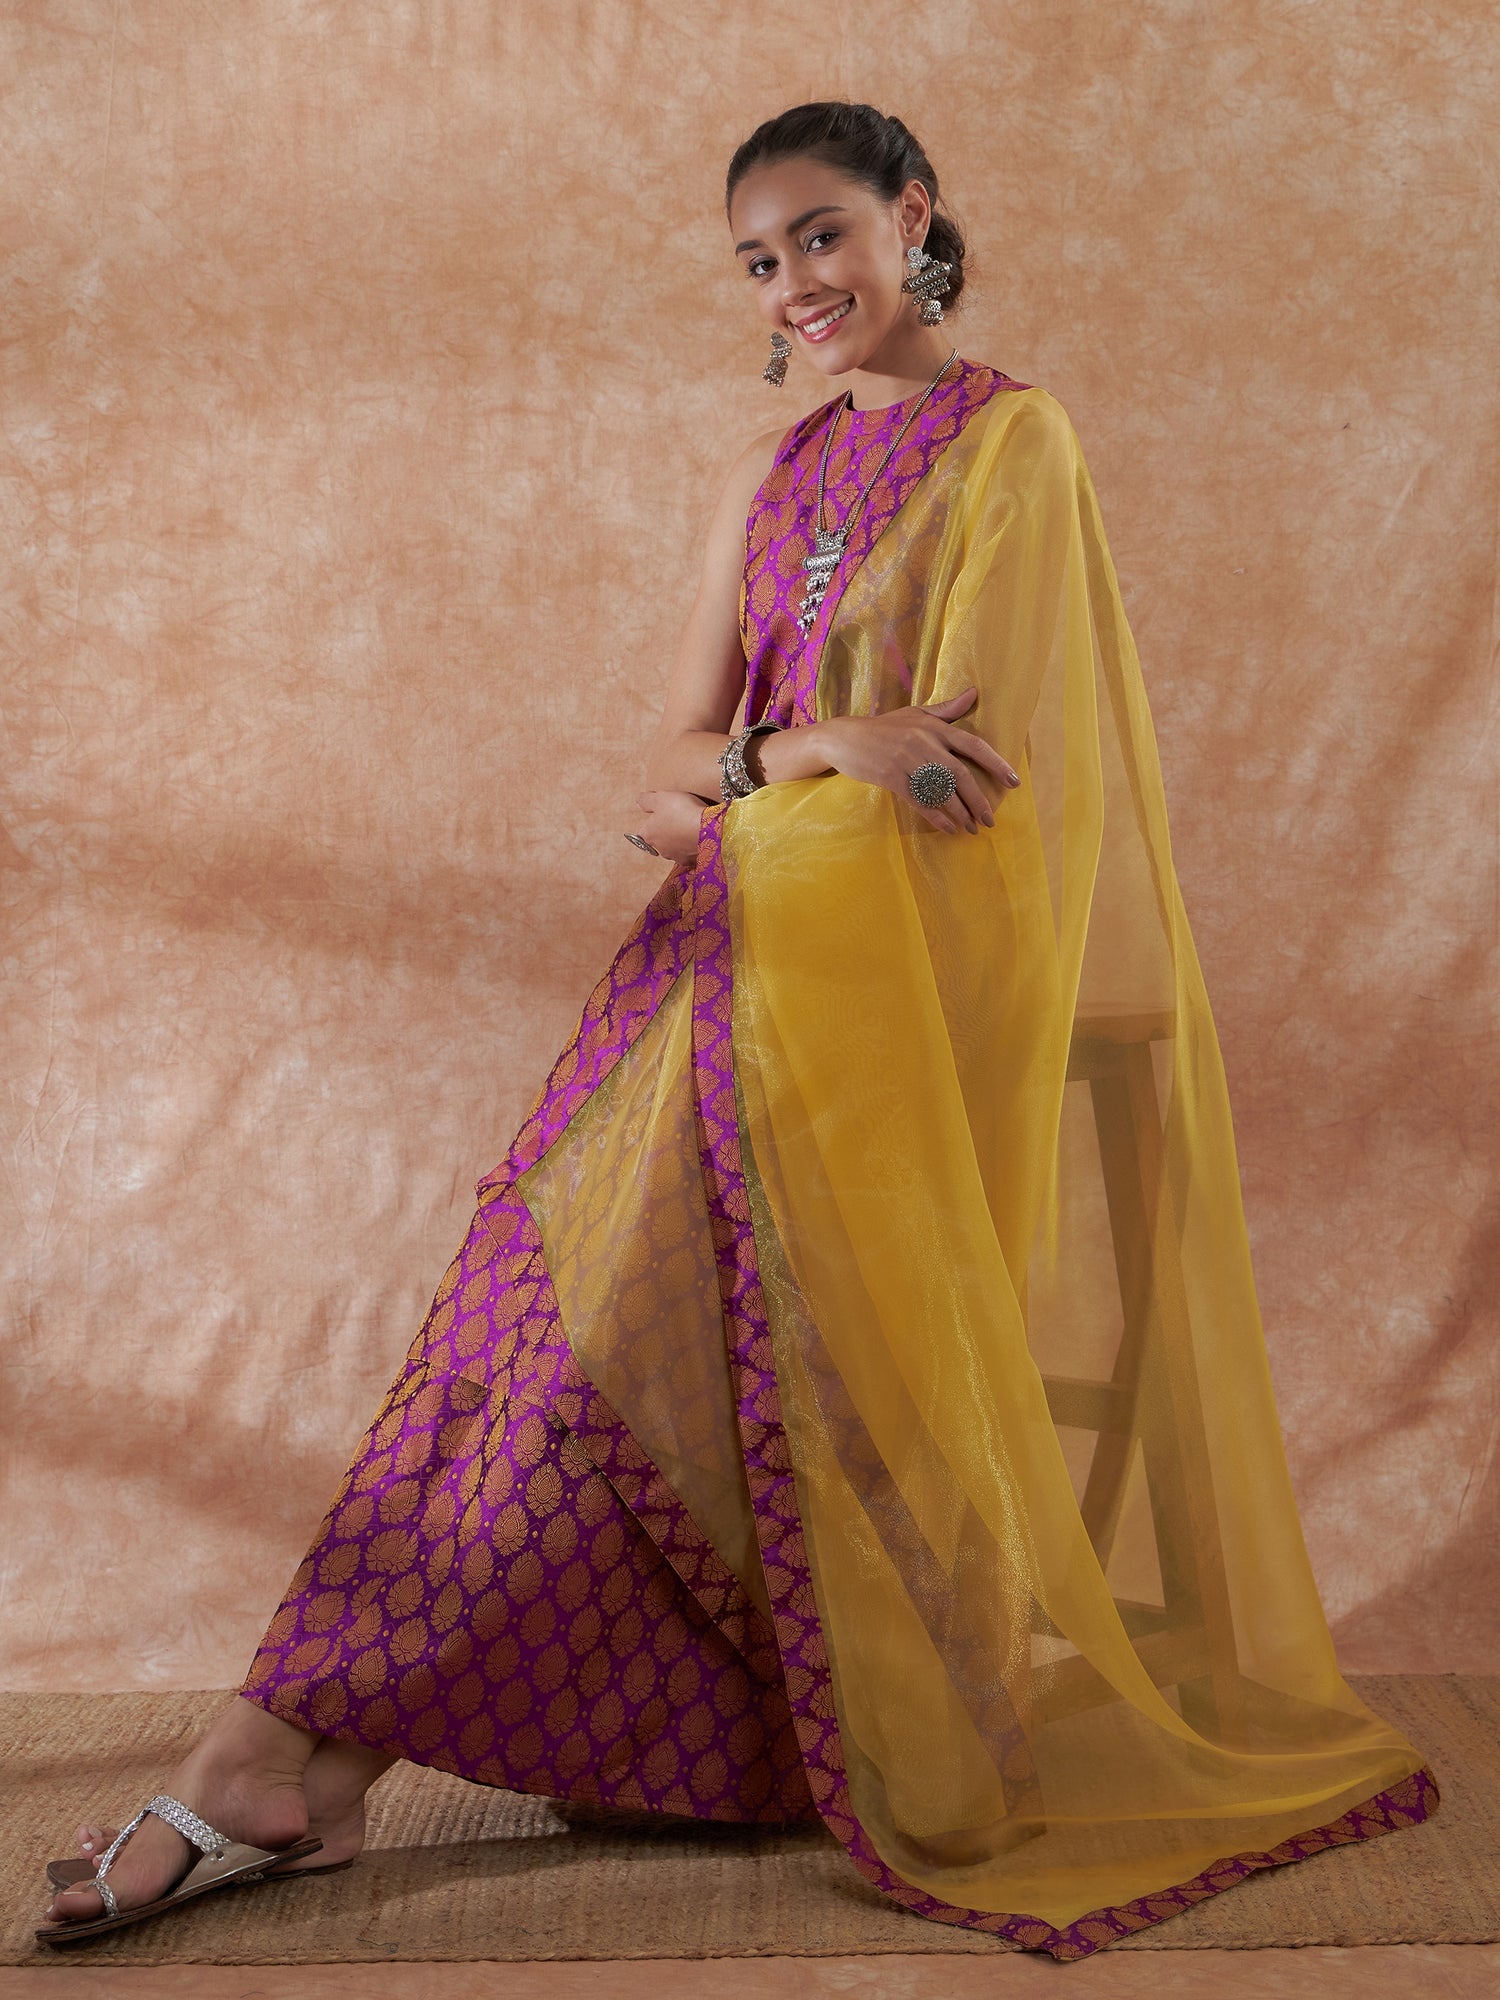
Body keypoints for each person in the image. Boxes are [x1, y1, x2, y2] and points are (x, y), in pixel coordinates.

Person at [38, 100, 1438, 1963]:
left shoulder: (1014, 444)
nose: (796, 287)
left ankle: (273, 1769)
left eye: (824, 237)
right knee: (514, 1343)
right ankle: (280, 1760)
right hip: (724, 976)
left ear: (915, 218)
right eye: (761, 262)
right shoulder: (768, 474)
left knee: (563, 1345)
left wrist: (744, 802)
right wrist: (817, 749)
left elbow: (981, 792)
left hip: (894, 1004)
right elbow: (680, 751)